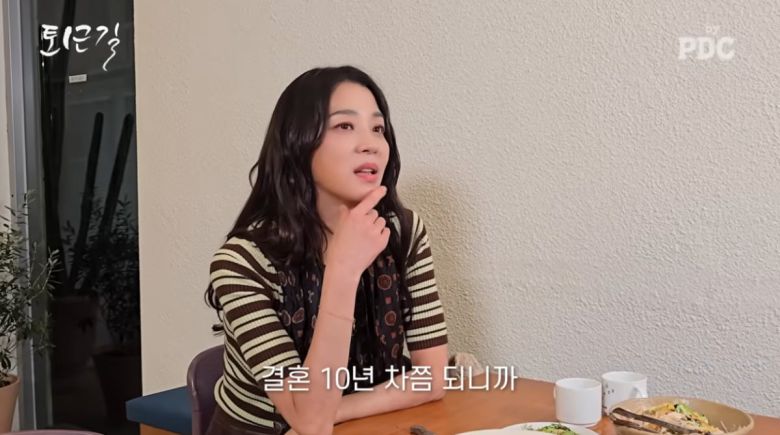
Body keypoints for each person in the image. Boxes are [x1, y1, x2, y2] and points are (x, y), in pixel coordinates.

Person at [204, 65, 449, 435]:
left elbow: (431, 378)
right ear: (297, 143)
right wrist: (343, 271)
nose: (370, 143)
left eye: (378, 128)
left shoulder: (403, 232)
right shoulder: (241, 263)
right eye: (344, 126)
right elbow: (311, 422)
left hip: (365, 423)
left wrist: (338, 410)